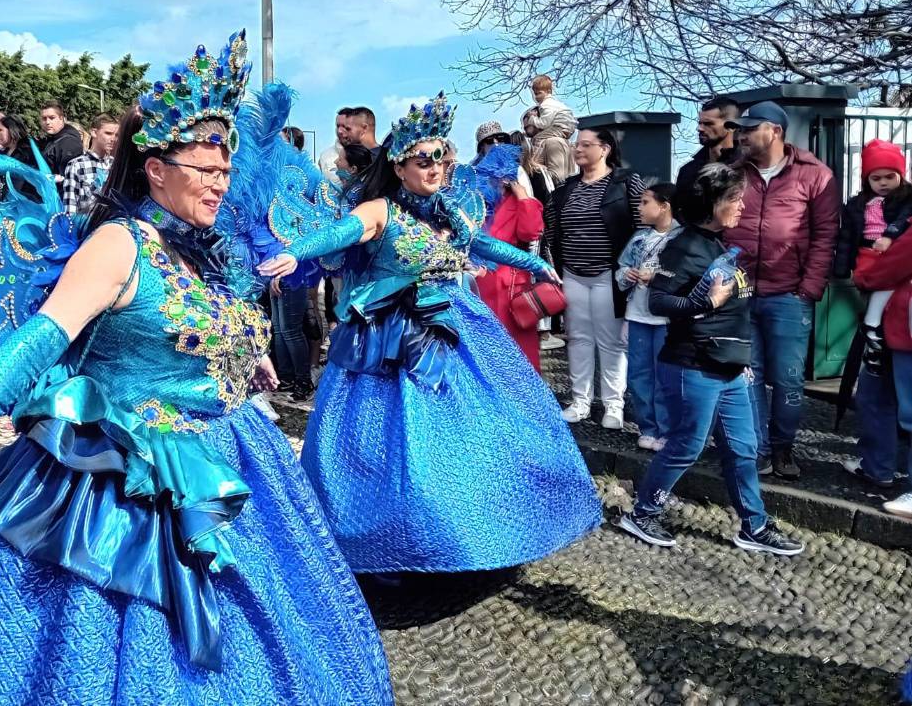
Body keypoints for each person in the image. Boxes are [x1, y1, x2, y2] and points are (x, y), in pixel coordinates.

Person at [0, 29, 395, 705]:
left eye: (224, 172)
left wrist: (242, 357)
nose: (220, 185)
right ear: (156, 168)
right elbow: (39, 340)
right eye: (204, 171)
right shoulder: (116, 245)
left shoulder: (199, 249)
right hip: (120, 471)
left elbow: (198, 326)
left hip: (225, 452)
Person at [259, 94, 601, 575]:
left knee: (485, 426)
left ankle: (478, 525)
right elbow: (341, 232)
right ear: (399, 167)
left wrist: (533, 261)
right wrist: (297, 253)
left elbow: (479, 243)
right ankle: (391, 538)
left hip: (456, 322)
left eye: (442, 156)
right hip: (389, 336)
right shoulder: (381, 210)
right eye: (424, 159)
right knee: (390, 441)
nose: (436, 167)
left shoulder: (447, 211)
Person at [619, 163, 805, 556]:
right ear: (711, 204)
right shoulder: (685, 245)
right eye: (734, 199)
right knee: (687, 445)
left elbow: (732, 310)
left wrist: (744, 358)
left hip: (730, 367)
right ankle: (642, 512)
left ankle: (754, 526)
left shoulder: (718, 244)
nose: (742, 205)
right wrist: (704, 302)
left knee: (744, 449)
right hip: (692, 365)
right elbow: (660, 301)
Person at [723, 101, 839, 480]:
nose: (740, 135)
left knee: (788, 378)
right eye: (739, 129)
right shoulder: (734, 174)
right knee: (747, 373)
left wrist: (808, 288)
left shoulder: (815, 175)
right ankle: (756, 449)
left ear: (774, 130)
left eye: (748, 128)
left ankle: (783, 448)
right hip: (740, 292)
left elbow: (825, 237)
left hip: (789, 294)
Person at [546, 128, 646, 429]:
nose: (578, 150)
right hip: (573, 274)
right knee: (578, 338)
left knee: (612, 341)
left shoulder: (626, 182)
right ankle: (580, 401)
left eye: (586, 145)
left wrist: (634, 270)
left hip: (610, 274)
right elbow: (552, 230)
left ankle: (613, 405)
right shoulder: (564, 189)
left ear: (604, 149)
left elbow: (642, 228)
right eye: (577, 145)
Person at [837, 140, 912, 489]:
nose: (881, 183)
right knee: (877, 393)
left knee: (889, 397)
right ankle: (879, 465)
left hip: (898, 320)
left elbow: (895, 263)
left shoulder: (905, 211)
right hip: (891, 318)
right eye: (875, 177)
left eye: (889, 176)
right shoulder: (860, 206)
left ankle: (888, 471)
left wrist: (864, 276)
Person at [616, 183, 682, 450]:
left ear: (664, 206)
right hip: (637, 315)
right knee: (639, 375)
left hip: (666, 319)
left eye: (645, 203)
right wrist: (626, 275)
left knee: (665, 375)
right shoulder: (639, 237)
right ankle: (647, 427)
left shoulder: (682, 238)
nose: (639, 208)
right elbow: (620, 270)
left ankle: (669, 430)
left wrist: (658, 278)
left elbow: (686, 276)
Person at [473, 143, 547, 368]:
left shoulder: (518, 202)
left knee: (519, 346)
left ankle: (526, 397)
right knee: (487, 346)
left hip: (512, 283)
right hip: (482, 279)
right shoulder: (478, 202)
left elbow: (531, 232)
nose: (498, 181)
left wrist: (524, 198)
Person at [674, 96, 740, 213]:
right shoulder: (688, 171)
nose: (699, 128)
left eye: (708, 124)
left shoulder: (746, 167)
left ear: (731, 126)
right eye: (700, 123)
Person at [60, 113, 119, 215]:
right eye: (108, 133)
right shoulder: (77, 165)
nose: (113, 139)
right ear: (94, 132)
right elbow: (70, 208)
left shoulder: (116, 165)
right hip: (87, 227)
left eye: (116, 135)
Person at [521, 75, 577, 147]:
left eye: (539, 93)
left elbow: (544, 123)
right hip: (568, 126)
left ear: (548, 91)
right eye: (535, 94)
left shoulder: (546, 105)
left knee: (537, 139)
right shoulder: (555, 103)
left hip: (560, 127)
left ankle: (540, 156)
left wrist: (532, 118)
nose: (536, 97)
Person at [38, 100, 84, 178]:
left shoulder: (69, 142)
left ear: (61, 118)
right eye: (44, 118)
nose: (47, 122)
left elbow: (68, 176)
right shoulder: (52, 138)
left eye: (52, 118)